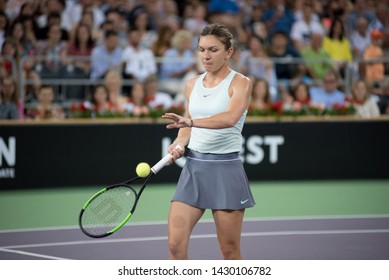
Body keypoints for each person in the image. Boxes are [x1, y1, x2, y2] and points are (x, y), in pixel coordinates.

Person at [161, 23, 255, 260]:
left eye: (213, 50)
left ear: (229, 52)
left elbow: (230, 118)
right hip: (194, 169)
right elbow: (186, 127)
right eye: (202, 49)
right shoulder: (191, 84)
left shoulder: (241, 82)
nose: (206, 55)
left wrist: (190, 123)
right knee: (174, 245)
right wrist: (180, 144)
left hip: (226, 170)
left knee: (230, 252)